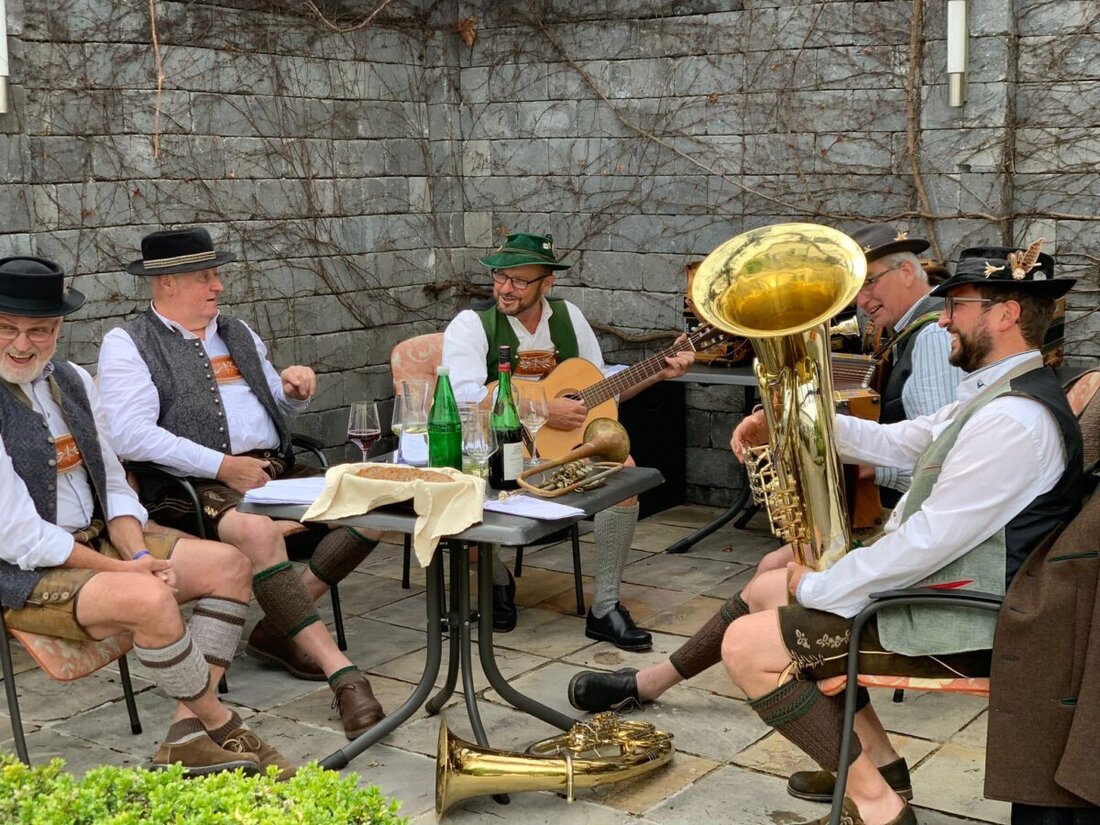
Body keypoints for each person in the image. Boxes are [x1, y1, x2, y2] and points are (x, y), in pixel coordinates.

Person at [568, 223, 963, 803]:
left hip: (919, 541)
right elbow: (919, 438)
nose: (861, 300)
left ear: (911, 273)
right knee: (774, 572)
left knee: (777, 581)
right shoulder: (909, 335)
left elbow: (929, 466)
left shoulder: (929, 340)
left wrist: (825, 464)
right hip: (909, 530)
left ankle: (871, 782)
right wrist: (794, 431)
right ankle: (879, 763)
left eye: (871, 284)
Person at [718, 249, 1081, 825]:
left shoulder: (1014, 420)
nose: (941, 321)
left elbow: (929, 541)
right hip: (956, 585)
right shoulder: (999, 393)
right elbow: (904, 440)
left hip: (976, 615)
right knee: (771, 589)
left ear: (1006, 313)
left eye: (956, 307)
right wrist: (786, 415)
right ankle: (878, 767)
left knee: (747, 648)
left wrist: (824, 586)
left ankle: (879, 806)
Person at [0, 256, 292, 777]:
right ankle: (223, 724)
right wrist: (125, 571)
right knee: (151, 597)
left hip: (100, 545)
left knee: (229, 565)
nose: (23, 344)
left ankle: (185, 732)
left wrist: (136, 551)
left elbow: (112, 483)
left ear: (58, 329)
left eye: (38, 330)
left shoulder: (69, 380)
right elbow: (18, 533)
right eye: (7, 328)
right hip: (23, 570)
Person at [96, 227, 384, 740]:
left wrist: (295, 392)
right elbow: (129, 434)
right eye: (205, 276)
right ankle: (341, 673)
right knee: (257, 534)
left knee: (379, 498)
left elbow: (275, 402)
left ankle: (279, 626)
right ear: (166, 284)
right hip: (189, 486)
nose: (218, 286)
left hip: (272, 469)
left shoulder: (237, 331)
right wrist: (221, 466)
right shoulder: (129, 344)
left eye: (216, 274)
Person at [442, 232, 693, 648]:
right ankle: (497, 582)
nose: (505, 288)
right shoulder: (472, 326)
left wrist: (657, 373)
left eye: (520, 281)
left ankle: (605, 608)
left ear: (547, 283)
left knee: (622, 474)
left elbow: (597, 391)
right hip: (487, 457)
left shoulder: (569, 318)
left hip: (559, 456)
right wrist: (542, 406)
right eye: (500, 277)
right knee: (456, 500)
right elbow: (465, 397)